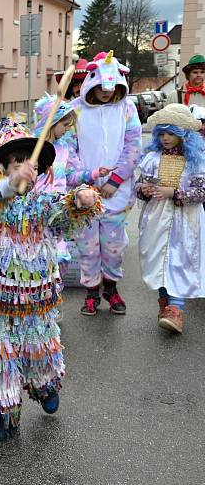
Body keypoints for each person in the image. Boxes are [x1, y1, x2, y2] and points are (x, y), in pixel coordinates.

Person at [0, 121, 101, 442]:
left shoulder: (41, 203)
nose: (26, 169)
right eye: (17, 163)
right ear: (2, 168)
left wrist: (80, 199)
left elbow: (63, 214)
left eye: (30, 164)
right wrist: (8, 186)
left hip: (36, 300)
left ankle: (44, 386)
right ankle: (0, 415)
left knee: (39, 349)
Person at [70, 51, 141, 316]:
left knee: (113, 247)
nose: (107, 93)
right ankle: (91, 291)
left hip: (116, 191)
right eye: (101, 87)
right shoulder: (76, 109)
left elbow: (133, 146)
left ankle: (110, 288)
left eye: (112, 88)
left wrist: (115, 179)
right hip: (84, 190)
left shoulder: (127, 108)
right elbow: (69, 148)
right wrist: (85, 179)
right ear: (92, 82)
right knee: (87, 246)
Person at [136, 104, 205, 333]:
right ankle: (165, 303)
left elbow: (201, 192)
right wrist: (144, 189)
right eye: (162, 133)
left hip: (184, 219)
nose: (166, 138)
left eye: (171, 133)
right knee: (158, 260)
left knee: (179, 260)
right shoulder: (153, 158)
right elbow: (140, 183)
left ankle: (176, 310)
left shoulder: (195, 161)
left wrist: (174, 193)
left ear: (183, 135)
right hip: (156, 218)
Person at [32, 96, 112, 277]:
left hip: (57, 211)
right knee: (37, 258)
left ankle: (52, 297)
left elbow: (70, 177)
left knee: (58, 258)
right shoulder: (32, 148)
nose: (68, 130)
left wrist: (95, 174)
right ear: (52, 122)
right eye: (65, 125)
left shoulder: (64, 148)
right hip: (35, 212)